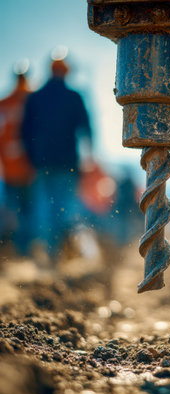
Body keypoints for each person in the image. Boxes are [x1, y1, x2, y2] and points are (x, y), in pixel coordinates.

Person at [21, 53, 92, 260]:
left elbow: (24, 132)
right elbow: (87, 129)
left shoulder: (35, 97)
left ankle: (48, 252)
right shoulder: (73, 96)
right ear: (66, 72)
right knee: (64, 208)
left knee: (44, 209)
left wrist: (31, 158)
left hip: (42, 163)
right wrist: (89, 158)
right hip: (67, 163)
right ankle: (61, 253)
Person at [0, 62, 35, 254]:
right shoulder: (32, 101)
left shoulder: (5, 103)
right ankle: (22, 250)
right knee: (26, 213)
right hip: (25, 171)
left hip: (17, 171)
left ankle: (20, 250)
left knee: (17, 213)